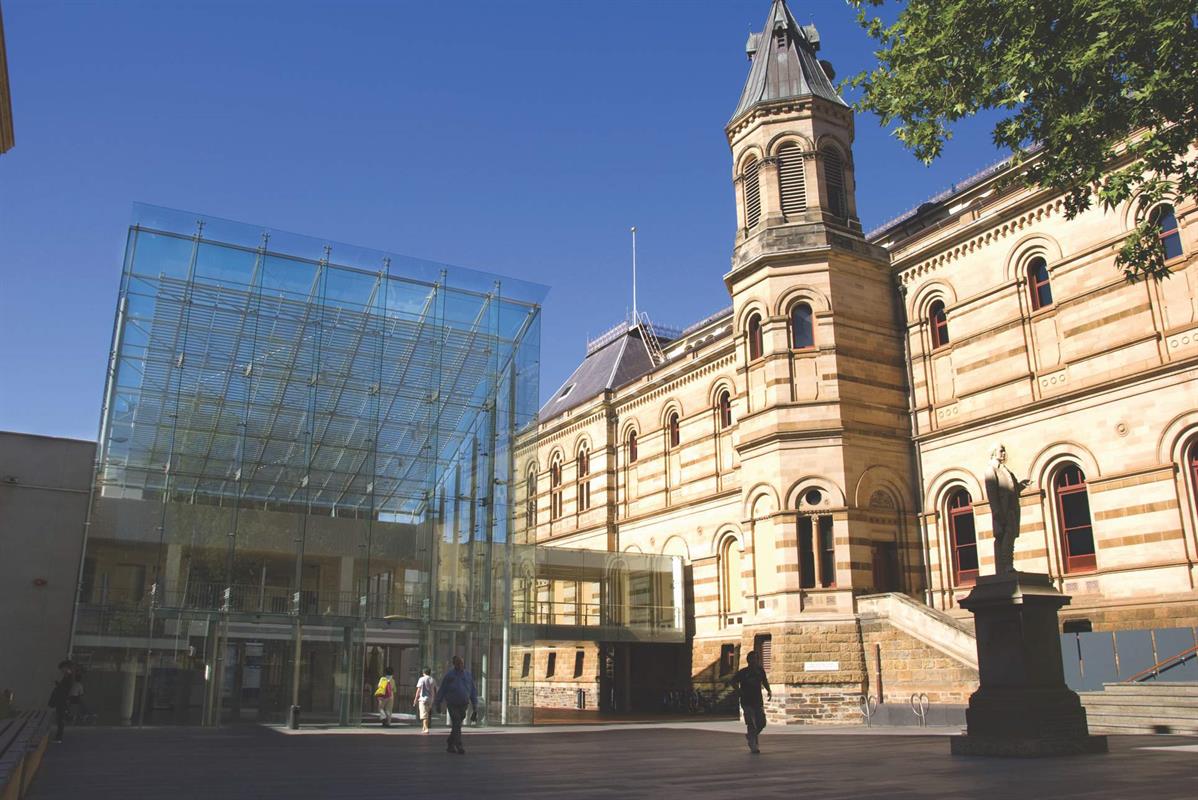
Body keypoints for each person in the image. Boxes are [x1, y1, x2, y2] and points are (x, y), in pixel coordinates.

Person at [983, 443, 1031, 575]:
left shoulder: (1005, 469)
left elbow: (1011, 489)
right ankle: (1006, 565)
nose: (1004, 453)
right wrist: (997, 512)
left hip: (1012, 508)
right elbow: (992, 494)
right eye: (1001, 451)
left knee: (1011, 536)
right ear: (993, 453)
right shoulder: (991, 470)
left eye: (1004, 451)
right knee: (1006, 536)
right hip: (1003, 511)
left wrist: (1021, 486)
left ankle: (1009, 565)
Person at [728, 650, 771, 753]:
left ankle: (751, 736)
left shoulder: (760, 671)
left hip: (757, 700)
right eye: (752, 659)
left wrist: (769, 690)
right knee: (751, 723)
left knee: (761, 723)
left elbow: (764, 680)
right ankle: (754, 746)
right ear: (748, 660)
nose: (755, 661)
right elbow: (733, 681)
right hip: (746, 701)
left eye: (756, 658)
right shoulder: (743, 672)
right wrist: (739, 691)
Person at [435, 655, 477, 754]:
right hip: (452, 704)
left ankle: (450, 742)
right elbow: (443, 689)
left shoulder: (467, 675)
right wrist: (438, 702)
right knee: (457, 723)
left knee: (457, 725)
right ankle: (459, 745)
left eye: (461, 662)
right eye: (458, 663)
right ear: (454, 664)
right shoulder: (449, 675)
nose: (460, 665)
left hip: (463, 704)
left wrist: (475, 705)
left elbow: (472, 690)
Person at [48, 660, 75, 743]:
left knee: (60, 719)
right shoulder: (67, 676)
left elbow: (65, 689)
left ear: (66, 668)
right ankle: (58, 736)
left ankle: (59, 737)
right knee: (60, 718)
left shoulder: (69, 677)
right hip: (61, 700)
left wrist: (58, 685)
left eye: (62, 669)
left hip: (62, 701)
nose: (61, 671)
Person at [412, 668, 437, 734]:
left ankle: (426, 728)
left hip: (423, 699)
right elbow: (434, 690)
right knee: (427, 713)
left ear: (423, 673)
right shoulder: (432, 679)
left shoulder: (421, 679)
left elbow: (418, 690)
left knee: (424, 715)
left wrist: (415, 699)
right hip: (430, 699)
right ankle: (424, 727)